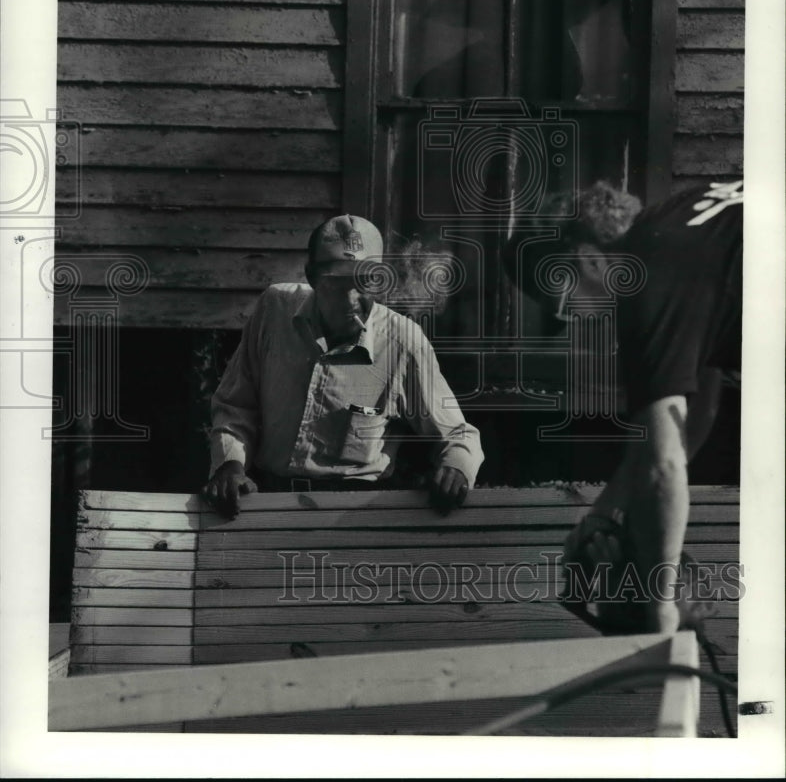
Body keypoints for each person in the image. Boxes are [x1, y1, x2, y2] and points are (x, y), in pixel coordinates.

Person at [504, 179, 742, 633]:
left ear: (590, 260)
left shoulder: (645, 283)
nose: (579, 321)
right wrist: (602, 512)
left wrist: (660, 614)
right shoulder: (683, 228)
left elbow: (664, 467)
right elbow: (696, 419)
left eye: (564, 306)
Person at [204, 213, 484, 517]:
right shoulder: (274, 311)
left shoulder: (403, 342)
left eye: (364, 282)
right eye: (337, 284)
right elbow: (235, 406)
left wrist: (455, 467)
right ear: (311, 276)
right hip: (269, 502)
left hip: (354, 513)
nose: (352, 299)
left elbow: (459, 434)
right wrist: (230, 464)